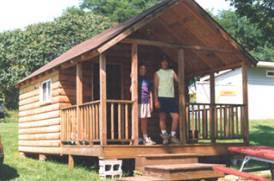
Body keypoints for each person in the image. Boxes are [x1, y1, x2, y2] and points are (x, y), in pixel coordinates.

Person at [154, 58, 180, 145]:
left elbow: (178, 80)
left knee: (176, 117)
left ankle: (172, 136)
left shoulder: (172, 72)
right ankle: (165, 137)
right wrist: (156, 99)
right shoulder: (158, 73)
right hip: (161, 97)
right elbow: (155, 87)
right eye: (163, 62)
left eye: (166, 62)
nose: (164, 63)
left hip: (171, 97)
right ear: (161, 63)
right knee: (162, 118)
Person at [138, 64, 156, 145]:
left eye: (144, 69)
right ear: (138, 70)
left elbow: (150, 92)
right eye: (141, 69)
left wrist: (151, 103)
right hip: (138, 102)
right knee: (138, 120)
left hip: (146, 102)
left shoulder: (147, 80)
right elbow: (131, 89)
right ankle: (138, 138)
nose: (143, 70)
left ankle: (145, 137)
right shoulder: (136, 79)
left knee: (144, 120)